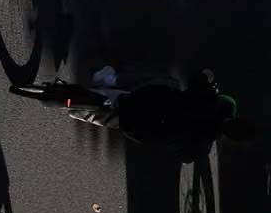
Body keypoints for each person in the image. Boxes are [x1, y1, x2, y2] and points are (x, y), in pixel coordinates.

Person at [79, 66, 253, 163]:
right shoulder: (202, 146)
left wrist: (205, 78)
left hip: (148, 99)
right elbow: (184, 157)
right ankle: (82, 113)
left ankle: (111, 79)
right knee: (123, 121)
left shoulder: (209, 100)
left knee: (167, 82)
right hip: (140, 129)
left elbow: (195, 79)